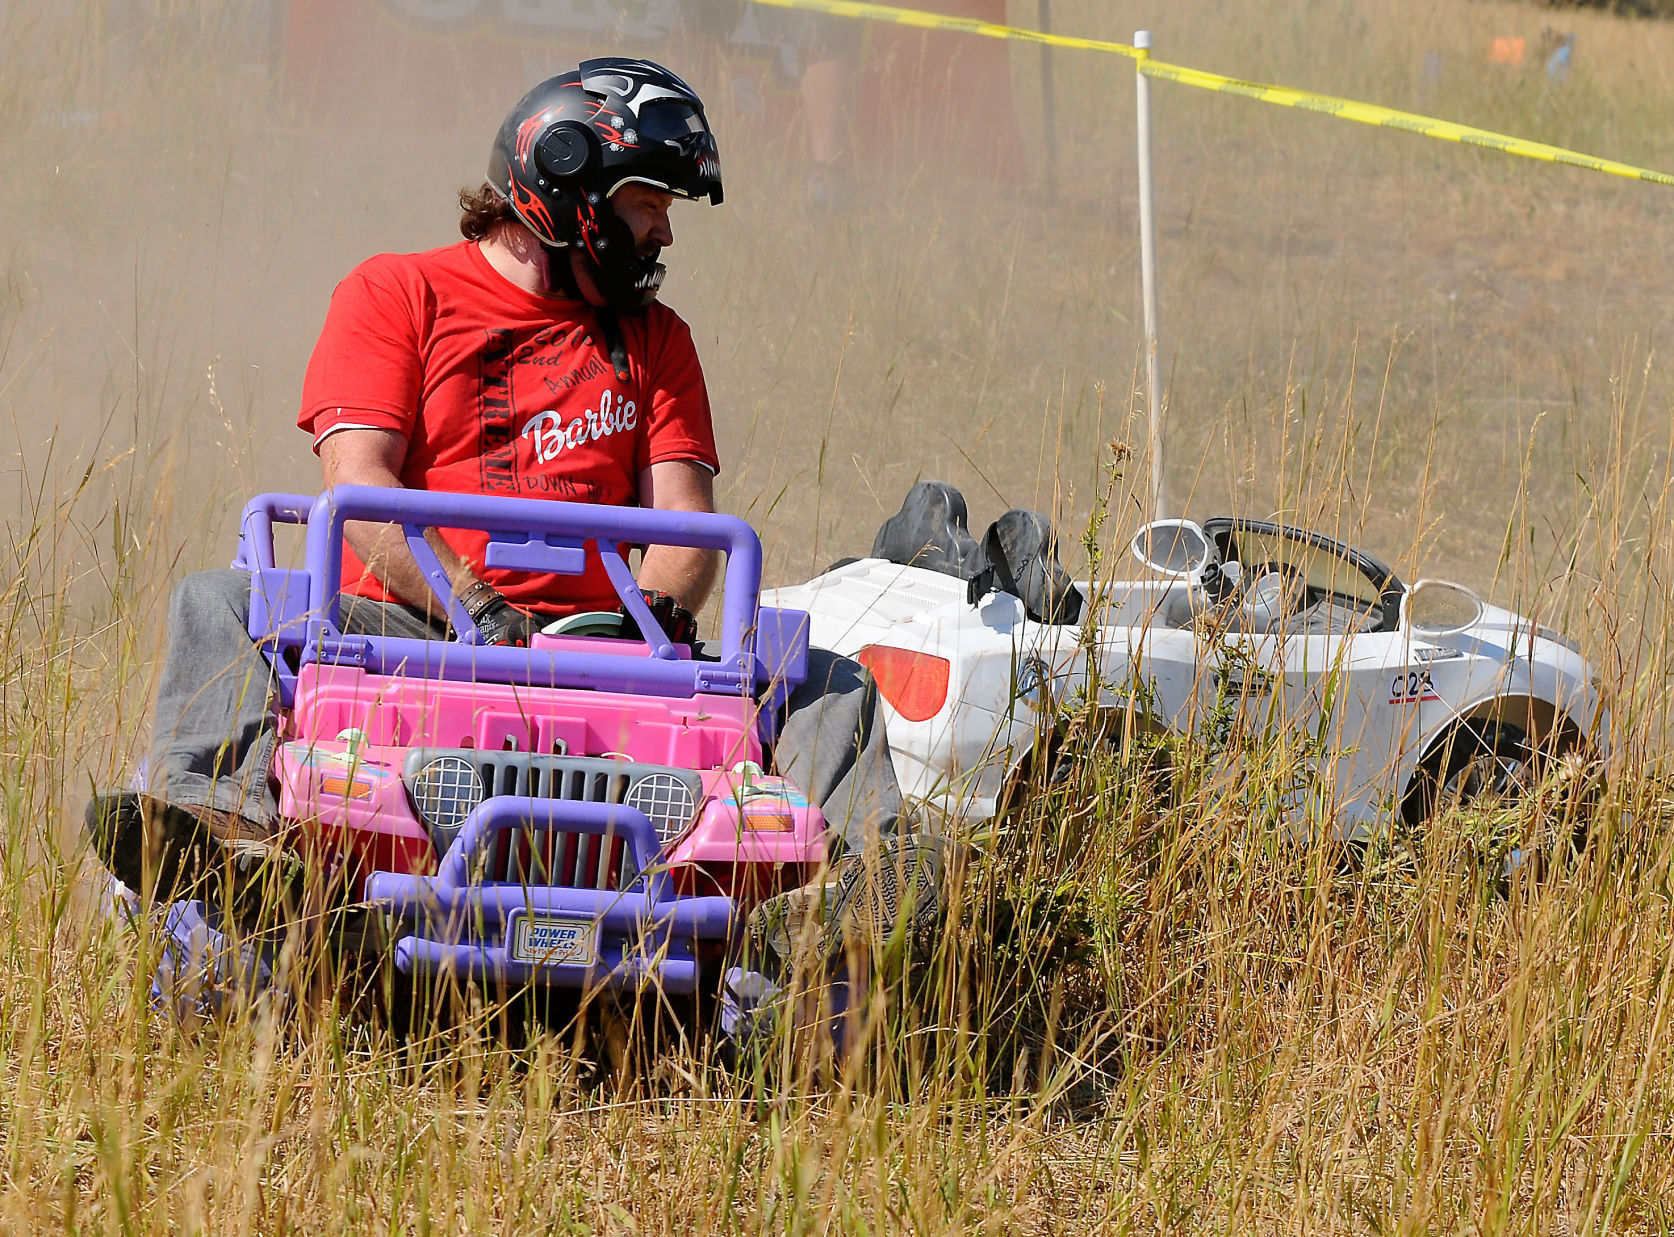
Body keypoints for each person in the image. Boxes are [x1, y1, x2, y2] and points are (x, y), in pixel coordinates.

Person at [83, 59, 912, 931]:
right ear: (569, 182)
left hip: (612, 652)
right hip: (416, 629)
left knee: (821, 679)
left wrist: (640, 624)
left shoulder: (659, 339)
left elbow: (687, 524)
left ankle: (873, 895)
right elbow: (359, 483)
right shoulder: (396, 293)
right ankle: (227, 836)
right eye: (650, 205)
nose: (665, 233)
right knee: (220, 602)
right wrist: (473, 601)